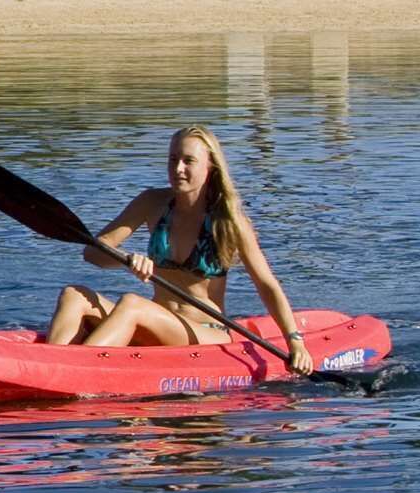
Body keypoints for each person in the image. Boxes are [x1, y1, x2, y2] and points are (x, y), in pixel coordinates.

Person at [43, 124, 313, 373]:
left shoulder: (230, 221)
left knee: (132, 304)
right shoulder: (152, 203)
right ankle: (47, 364)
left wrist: (295, 341)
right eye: (173, 160)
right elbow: (92, 253)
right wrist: (125, 260)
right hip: (155, 321)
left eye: (188, 161)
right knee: (73, 295)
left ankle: (73, 370)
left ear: (211, 167)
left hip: (206, 332)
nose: (178, 169)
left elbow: (267, 285)